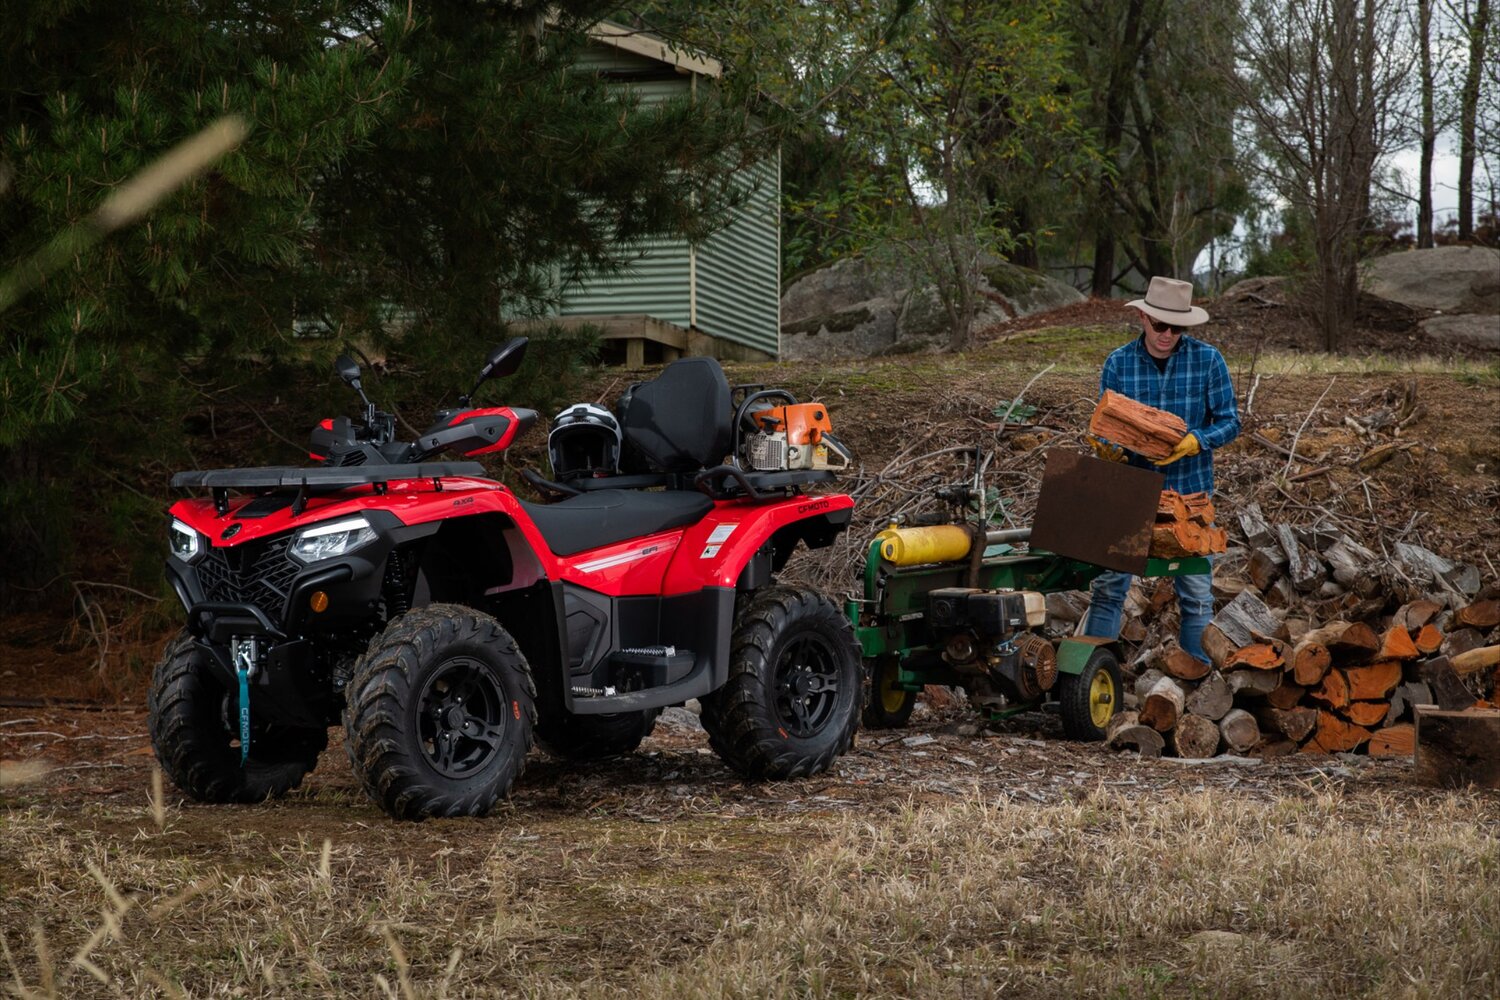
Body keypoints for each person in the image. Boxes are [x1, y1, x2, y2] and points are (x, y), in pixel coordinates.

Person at [1085, 276, 1240, 664]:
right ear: (1142, 317)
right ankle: (1092, 675)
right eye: (1160, 325)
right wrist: (1108, 450)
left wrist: (1197, 440)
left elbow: (1230, 421)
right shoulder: (1119, 363)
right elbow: (1106, 424)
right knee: (1108, 588)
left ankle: (1196, 674)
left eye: (1176, 327)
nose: (1167, 334)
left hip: (1190, 493)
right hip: (1130, 492)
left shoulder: (1208, 360)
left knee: (1197, 595)